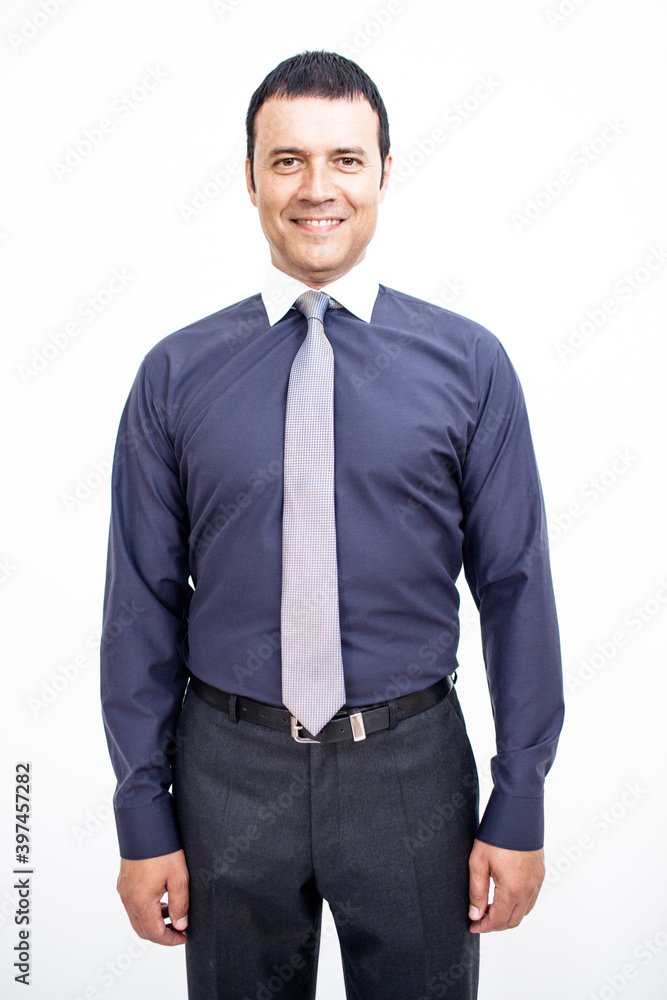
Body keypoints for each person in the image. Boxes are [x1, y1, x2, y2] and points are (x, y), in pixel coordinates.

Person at [101, 50, 564, 1000]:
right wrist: (143, 818)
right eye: (288, 161)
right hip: (225, 773)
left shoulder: (469, 365)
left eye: (346, 160)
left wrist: (518, 799)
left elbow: (515, 589)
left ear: (384, 172)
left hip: (411, 770)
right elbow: (140, 607)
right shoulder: (175, 375)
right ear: (250, 177)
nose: (318, 189)